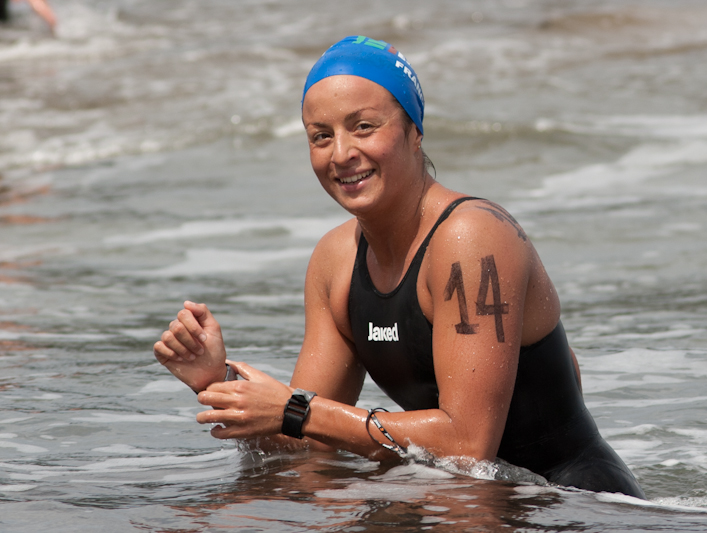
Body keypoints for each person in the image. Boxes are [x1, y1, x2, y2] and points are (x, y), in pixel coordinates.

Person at [153, 35, 646, 499]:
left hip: (573, 504)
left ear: (414, 131)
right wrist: (220, 384)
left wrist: (294, 410)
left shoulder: (470, 238)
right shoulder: (335, 262)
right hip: (466, 501)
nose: (342, 153)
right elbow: (310, 444)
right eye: (320, 136)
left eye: (363, 126)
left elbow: (468, 446)